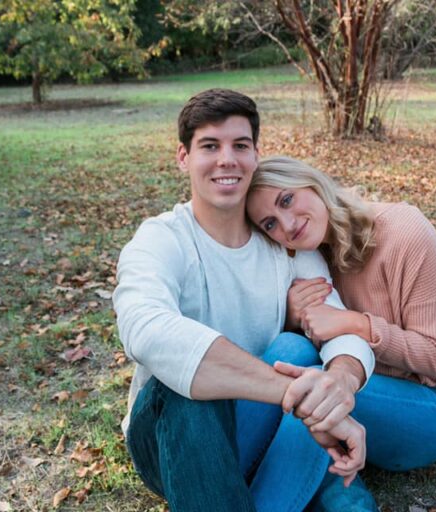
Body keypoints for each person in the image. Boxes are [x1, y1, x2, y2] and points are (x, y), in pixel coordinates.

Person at [112, 89, 381, 512]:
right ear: (183, 158)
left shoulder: (285, 242)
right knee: (182, 385)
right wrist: (293, 392)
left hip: (259, 425)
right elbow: (144, 329)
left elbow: (340, 327)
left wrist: (338, 384)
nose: (227, 160)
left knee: (298, 349)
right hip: (172, 442)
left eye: (240, 145)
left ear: (256, 155)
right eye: (209, 146)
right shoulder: (162, 239)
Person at [246, 156, 436, 477]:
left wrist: (356, 324)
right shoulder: (306, 258)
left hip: (427, 407)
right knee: (294, 362)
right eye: (270, 224)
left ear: (312, 182)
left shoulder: (406, 231)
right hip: (349, 391)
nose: (288, 225)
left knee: (310, 393)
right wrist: (291, 315)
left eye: (288, 200)